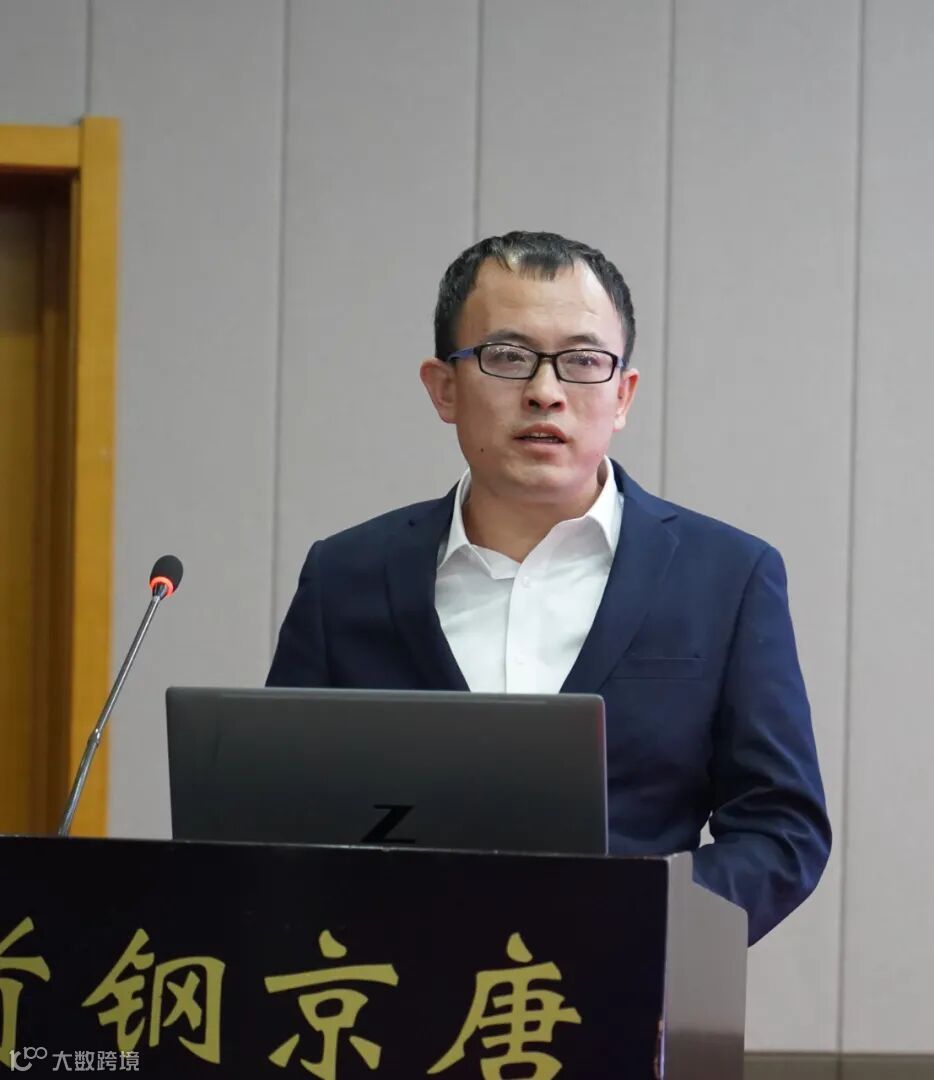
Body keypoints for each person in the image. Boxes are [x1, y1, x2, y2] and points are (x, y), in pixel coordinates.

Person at [268, 231, 830, 944]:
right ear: (444, 388)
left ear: (622, 395)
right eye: (507, 356)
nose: (545, 392)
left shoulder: (725, 578)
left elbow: (781, 832)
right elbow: (274, 819)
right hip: (385, 985)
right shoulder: (345, 577)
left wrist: (630, 915)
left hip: (622, 988)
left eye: (583, 361)